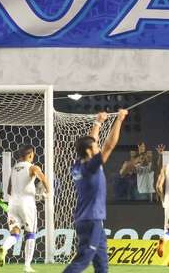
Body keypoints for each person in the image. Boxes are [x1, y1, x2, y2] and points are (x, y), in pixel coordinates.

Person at [63, 109, 129, 273]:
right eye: (95, 147)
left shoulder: (78, 166)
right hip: (92, 219)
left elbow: (92, 141)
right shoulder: (91, 167)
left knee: (102, 264)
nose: (97, 147)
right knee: (83, 261)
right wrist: (119, 120)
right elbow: (109, 146)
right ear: (88, 151)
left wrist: (98, 123)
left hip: (88, 220)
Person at [0, 145, 50, 273]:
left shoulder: (14, 168)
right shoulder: (33, 167)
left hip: (12, 204)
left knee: (15, 233)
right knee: (30, 233)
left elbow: (9, 189)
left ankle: (4, 247)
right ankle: (27, 266)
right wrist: (47, 193)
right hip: (27, 205)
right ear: (31, 155)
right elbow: (42, 178)